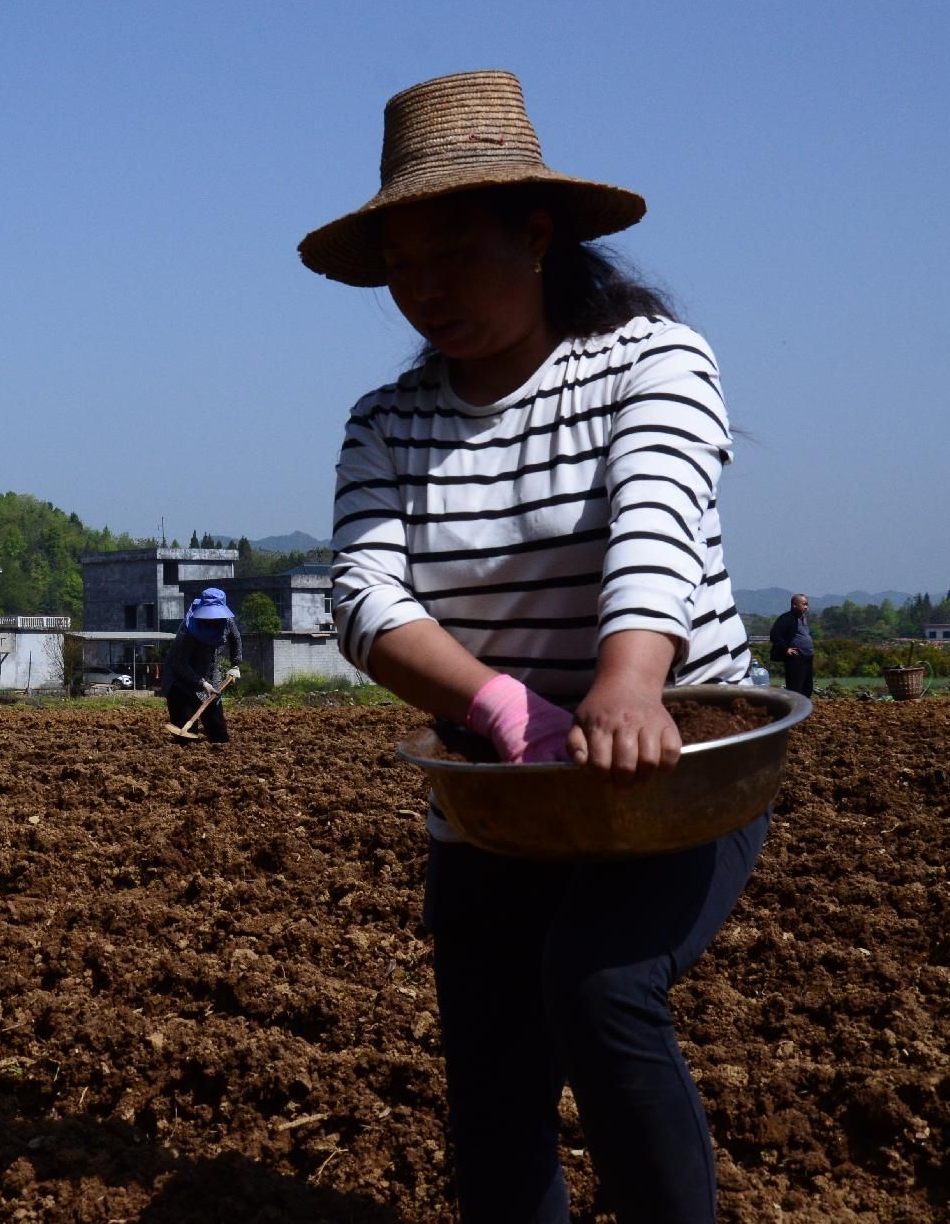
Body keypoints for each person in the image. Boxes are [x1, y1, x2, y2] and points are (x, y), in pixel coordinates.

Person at [308, 71, 760, 1220]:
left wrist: (625, 684)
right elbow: (362, 594)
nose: (422, 292)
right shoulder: (385, 422)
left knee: (599, 985)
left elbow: (656, 516)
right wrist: (502, 703)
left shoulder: (652, 361)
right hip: (499, 786)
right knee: (493, 1075)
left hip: (672, 764)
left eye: (452, 253)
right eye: (400, 269)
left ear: (537, 232)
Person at [160, 585, 242, 744]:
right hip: (181, 684)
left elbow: (236, 639)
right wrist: (202, 683)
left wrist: (235, 664)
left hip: (211, 681)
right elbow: (179, 663)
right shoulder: (188, 631)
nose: (212, 620)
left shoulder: (226, 623)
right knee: (186, 737)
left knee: (219, 734)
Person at [768, 593, 814, 697]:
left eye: (807, 604)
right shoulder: (786, 618)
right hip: (796, 658)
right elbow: (774, 635)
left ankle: (804, 710)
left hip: (807, 657)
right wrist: (786, 649)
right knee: (795, 688)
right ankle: (794, 710)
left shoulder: (803, 619)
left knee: (807, 687)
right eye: (804, 604)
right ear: (794, 605)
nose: (806, 607)